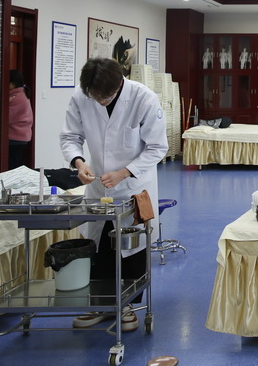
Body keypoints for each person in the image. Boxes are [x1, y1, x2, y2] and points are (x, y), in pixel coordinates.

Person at [59, 58, 167, 333]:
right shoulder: (81, 96)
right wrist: (79, 163)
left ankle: (128, 305)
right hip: (98, 185)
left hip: (134, 185)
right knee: (99, 246)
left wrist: (125, 172)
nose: (100, 101)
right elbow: (70, 137)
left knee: (132, 248)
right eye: (95, 97)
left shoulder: (143, 98)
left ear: (119, 83)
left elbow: (157, 147)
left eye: (105, 97)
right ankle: (100, 305)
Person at [8, 69, 34, 170]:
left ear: (13, 83)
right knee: (15, 164)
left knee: (13, 166)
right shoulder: (20, 94)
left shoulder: (18, 97)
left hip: (16, 137)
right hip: (20, 136)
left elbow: (8, 117)